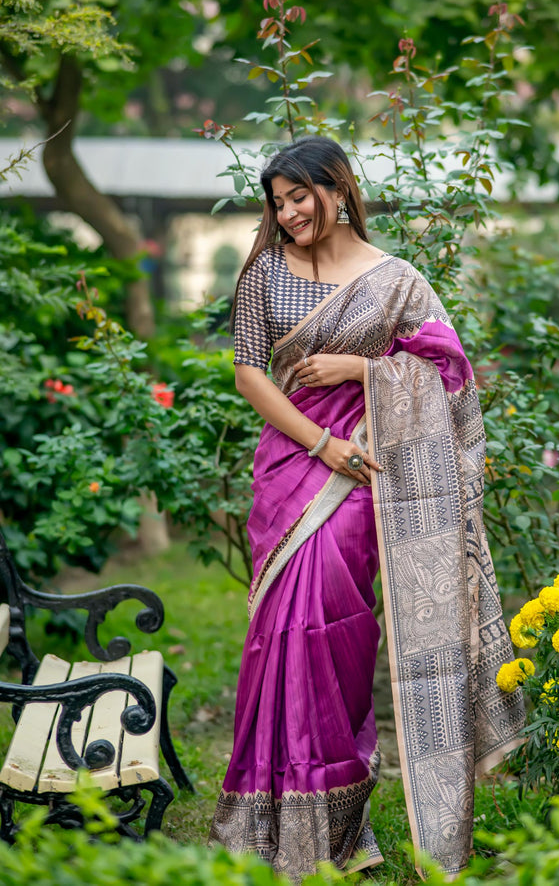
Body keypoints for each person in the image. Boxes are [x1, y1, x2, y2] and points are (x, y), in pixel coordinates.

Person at [209, 136, 525, 881]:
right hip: (296, 464)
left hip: (368, 473)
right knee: (276, 639)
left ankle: (337, 826)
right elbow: (249, 375)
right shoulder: (262, 274)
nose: (287, 214)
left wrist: (363, 367)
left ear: (339, 188)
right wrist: (320, 442)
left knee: (334, 632)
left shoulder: (398, 281)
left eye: (300, 197)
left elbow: (449, 372)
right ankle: (269, 820)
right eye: (277, 202)